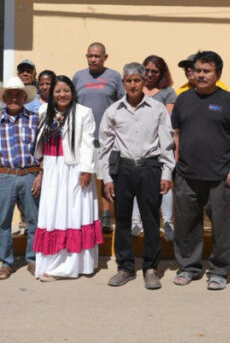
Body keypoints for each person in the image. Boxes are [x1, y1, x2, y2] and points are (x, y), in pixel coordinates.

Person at [170, 51, 230, 290]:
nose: (201, 75)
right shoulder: (183, 99)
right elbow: (176, 133)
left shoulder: (229, 100)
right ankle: (189, 267)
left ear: (218, 74)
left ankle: (219, 271)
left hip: (218, 176)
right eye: (198, 71)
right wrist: (176, 164)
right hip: (186, 175)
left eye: (207, 71)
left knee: (221, 227)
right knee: (186, 224)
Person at [99, 63, 175, 290]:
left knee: (151, 219)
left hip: (150, 168)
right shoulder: (113, 110)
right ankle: (125, 267)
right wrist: (107, 178)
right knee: (122, 219)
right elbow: (104, 147)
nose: (132, 85)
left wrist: (166, 172)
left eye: (137, 80)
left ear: (144, 82)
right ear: (124, 83)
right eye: (128, 81)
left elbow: (166, 143)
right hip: (122, 169)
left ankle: (150, 268)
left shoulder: (157, 108)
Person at [33, 76, 103, 280]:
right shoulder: (43, 111)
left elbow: (88, 143)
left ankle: (71, 266)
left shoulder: (83, 112)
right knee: (53, 214)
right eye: (57, 91)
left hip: (74, 170)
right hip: (52, 170)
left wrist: (86, 170)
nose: (62, 95)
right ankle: (51, 262)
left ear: (72, 92)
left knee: (73, 214)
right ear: (52, 93)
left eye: (66, 91)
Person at [0, 77, 41, 279]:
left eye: (18, 94)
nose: (14, 98)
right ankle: (6, 263)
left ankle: (33, 259)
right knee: (3, 221)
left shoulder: (35, 119)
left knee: (34, 220)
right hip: (5, 176)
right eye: (10, 95)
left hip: (30, 175)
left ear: (25, 98)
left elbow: (44, 151)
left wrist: (40, 175)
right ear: (4, 98)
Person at [73, 42, 124, 232]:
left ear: (105, 57)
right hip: (83, 138)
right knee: (83, 176)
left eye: (97, 56)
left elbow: (122, 104)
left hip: (108, 137)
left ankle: (105, 217)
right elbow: (71, 104)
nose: (93, 59)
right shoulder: (78, 76)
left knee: (105, 177)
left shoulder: (114, 77)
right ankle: (84, 216)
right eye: (90, 56)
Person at [131, 55, 176, 241]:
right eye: (147, 70)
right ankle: (136, 221)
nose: (149, 74)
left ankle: (168, 222)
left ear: (161, 73)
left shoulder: (168, 92)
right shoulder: (135, 88)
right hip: (136, 144)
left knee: (163, 181)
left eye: (154, 71)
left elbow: (166, 120)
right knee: (136, 182)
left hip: (159, 144)